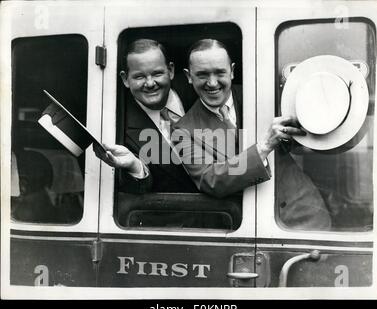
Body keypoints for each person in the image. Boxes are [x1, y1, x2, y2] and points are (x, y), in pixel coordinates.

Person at [172, 39, 331, 230]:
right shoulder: (182, 130)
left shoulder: (263, 95)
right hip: (250, 226)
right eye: (202, 75)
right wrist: (263, 147)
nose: (212, 83)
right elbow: (211, 180)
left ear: (232, 71)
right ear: (189, 76)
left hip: (304, 212)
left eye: (220, 72)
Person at [94, 39, 197, 193]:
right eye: (139, 77)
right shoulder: (117, 123)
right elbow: (135, 190)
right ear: (125, 79)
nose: (149, 83)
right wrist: (136, 167)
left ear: (171, 70)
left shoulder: (199, 91)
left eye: (157, 73)